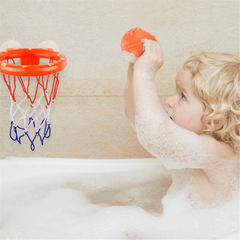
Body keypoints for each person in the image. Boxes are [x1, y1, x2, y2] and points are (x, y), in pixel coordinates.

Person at [123, 39, 239, 209]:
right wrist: (135, 66)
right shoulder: (190, 142)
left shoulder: (219, 152)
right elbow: (136, 115)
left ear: (213, 121)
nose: (170, 100)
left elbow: (156, 137)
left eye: (183, 96)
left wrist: (145, 75)